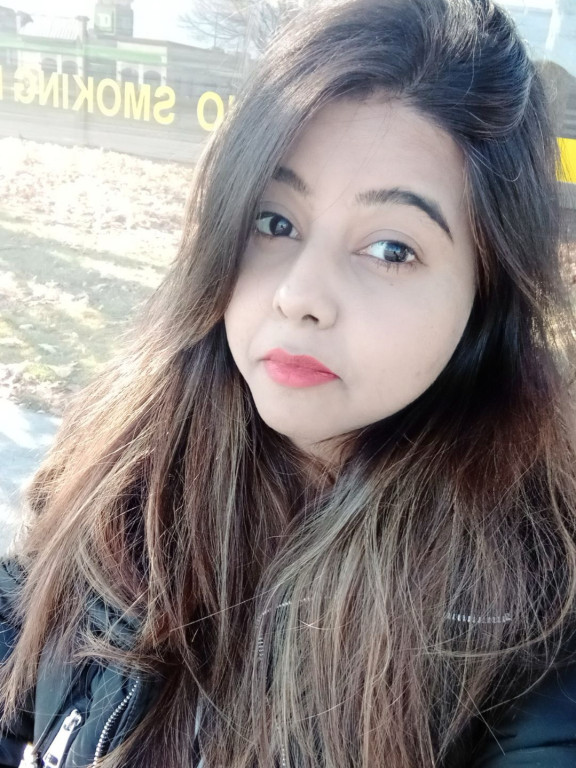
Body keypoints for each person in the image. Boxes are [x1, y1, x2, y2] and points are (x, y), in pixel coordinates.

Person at [2, 0, 576, 765]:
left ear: (487, 294)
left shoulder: (537, 621)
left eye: (391, 249)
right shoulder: (118, 470)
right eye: (275, 222)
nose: (298, 294)